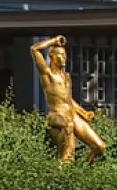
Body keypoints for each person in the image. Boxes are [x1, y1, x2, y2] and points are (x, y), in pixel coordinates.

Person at [30, 35, 106, 165]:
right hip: (57, 115)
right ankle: (64, 169)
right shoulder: (48, 75)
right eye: (60, 55)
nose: (63, 58)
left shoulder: (66, 77)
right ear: (52, 57)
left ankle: (82, 171)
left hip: (72, 115)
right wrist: (54, 41)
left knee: (99, 147)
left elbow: (68, 99)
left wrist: (83, 113)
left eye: (64, 55)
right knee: (68, 132)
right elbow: (34, 49)